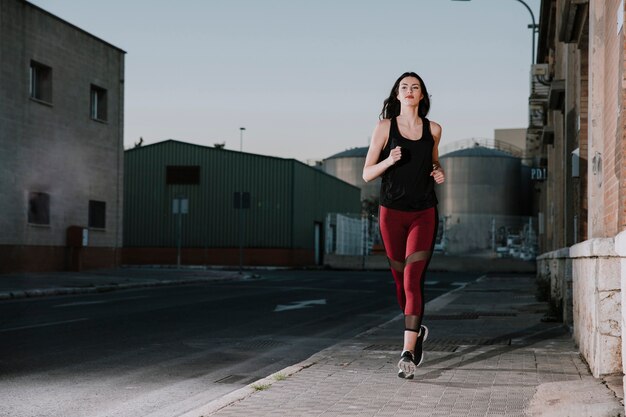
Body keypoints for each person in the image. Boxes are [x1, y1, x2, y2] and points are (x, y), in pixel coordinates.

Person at [362, 72, 445, 379]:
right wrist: (390, 160)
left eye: (415, 87)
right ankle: (417, 330)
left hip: (423, 212)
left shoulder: (433, 129)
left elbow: (433, 162)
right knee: (400, 283)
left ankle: (407, 353)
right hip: (392, 213)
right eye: (404, 87)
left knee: (413, 280)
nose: (410, 91)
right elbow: (367, 173)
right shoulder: (385, 127)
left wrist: (438, 172)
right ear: (397, 95)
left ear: (422, 95)